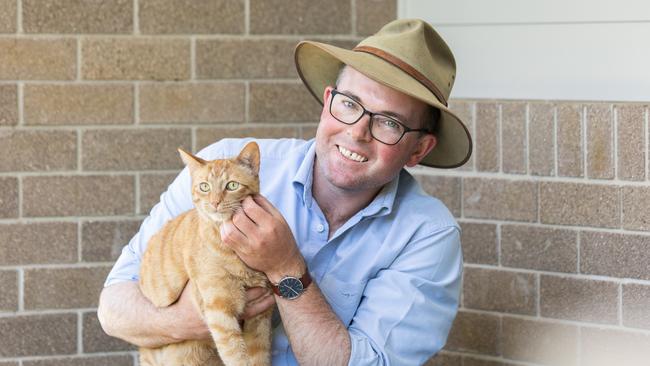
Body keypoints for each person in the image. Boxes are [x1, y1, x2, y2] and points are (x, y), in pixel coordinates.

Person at [98, 18, 472, 366]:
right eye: (349, 104)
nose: (357, 132)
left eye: (389, 122)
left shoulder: (427, 236)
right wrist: (197, 320)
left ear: (419, 150)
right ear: (327, 102)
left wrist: (285, 267)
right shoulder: (218, 167)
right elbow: (114, 309)